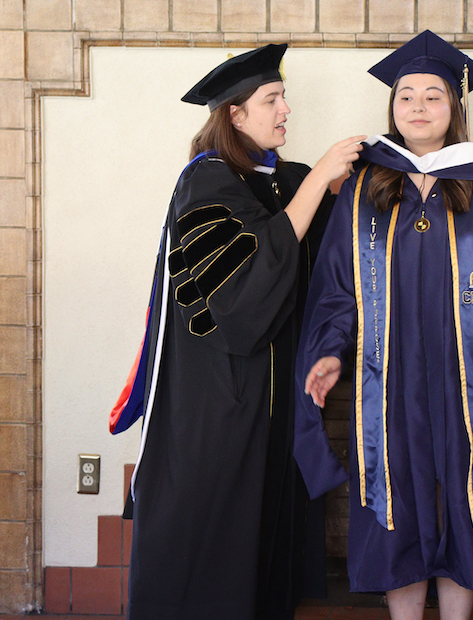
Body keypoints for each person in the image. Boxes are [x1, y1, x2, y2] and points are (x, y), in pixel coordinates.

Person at [292, 31, 473, 620]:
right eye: (405, 95)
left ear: (455, 109)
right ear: (391, 108)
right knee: (397, 504)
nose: (417, 106)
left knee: (468, 500)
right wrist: (333, 350)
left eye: (433, 95)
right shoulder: (362, 188)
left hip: (468, 376)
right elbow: (338, 288)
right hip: (389, 379)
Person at [111, 44, 364, 620]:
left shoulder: (273, 180)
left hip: (266, 405)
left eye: (283, 98)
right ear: (234, 114)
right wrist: (320, 175)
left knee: (259, 549)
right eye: (271, 100)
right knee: (211, 543)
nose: (285, 111)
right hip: (217, 404)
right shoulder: (207, 185)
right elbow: (243, 296)